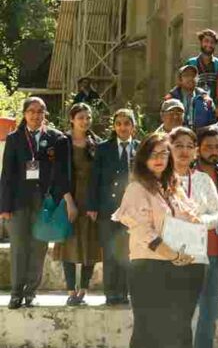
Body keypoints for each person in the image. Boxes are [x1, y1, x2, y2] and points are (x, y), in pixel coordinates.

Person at [112, 133, 205, 348]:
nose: (159, 159)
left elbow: (191, 216)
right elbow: (142, 229)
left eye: (164, 154)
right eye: (153, 153)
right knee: (146, 331)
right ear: (143, 156)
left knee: (177, 332)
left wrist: (192, 233)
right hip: (149, 268)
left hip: (180, 268)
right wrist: (171, 253)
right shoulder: (137, 189)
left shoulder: (173, 187)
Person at [168, 127, 218, 348]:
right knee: (176, 314)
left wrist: (198, 220)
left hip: (207, 255)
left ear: (195, 152)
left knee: (209, 312)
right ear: (169, 148)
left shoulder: (203, 180)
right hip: (170, 257)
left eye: (188, 146)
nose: (183, 151)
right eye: (177, 145)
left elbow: (217, 215)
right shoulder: (160, 179)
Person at [0, 97, 64, 309]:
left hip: (44, 204)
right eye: (32, 111)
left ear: (45, 114)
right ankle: (16, 292)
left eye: (40, 111)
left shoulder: (55, 138)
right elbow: (7, 175)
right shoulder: (15, 138)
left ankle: (31, 292)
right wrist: (5, 207)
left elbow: (61, 173)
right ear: (25, 114)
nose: (36, 115)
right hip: (18, 203)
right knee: (19, 247)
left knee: (39, 247)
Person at [53, 103, 101, 306]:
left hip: (90, 200)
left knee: (90, 244)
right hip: (69, 198)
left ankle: (83, 289)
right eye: (81, 117)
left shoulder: (96, 142)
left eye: (88, 117)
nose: (85, 121)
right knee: (68, 245)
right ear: (72, 119)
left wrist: (96, 203)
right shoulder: (63, 142)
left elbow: (100, 176)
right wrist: (69, 202)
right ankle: (71, 290)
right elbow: (58, 175)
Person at [89, 108, 138, 305]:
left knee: (127, 252)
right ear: (114, 126)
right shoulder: (103, 148)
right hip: (107, 208)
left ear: (133, 126)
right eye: (118, 124)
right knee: (110, 251)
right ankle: (111, 293)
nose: (122, 127)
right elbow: (94, 179)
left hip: (133, 210)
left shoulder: (140, 148)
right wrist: (92, 206)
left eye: (126, 123)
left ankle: (124, 293)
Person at [166, 65, 216, 129]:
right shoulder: (171, 99)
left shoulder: (206, 100)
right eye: (186, 75)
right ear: (180, 79)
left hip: (201, 136)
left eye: (193, 75)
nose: (190, 78)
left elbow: (213, 122)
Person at [185, 29, 218, 95]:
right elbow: (184, 84)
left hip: (213, 103)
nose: (209, 44)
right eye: (206, 41)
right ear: (201, 42)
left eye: (212, 42)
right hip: (194, 102)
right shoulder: (191, 63)